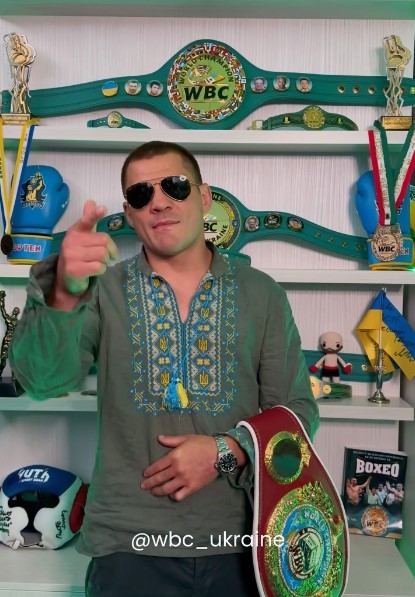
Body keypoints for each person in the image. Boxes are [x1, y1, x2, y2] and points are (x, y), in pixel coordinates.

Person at [9, 140, 319, 597]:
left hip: (243, 541)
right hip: (127, 545)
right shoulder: (101, 290)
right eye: (141, 195)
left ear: (204, 197)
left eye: (174, 186)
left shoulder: (262, 293)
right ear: (130, 214)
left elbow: (296, 412)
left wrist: (225, 450)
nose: (158, 202)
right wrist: (65, 292)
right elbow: (42, 380)